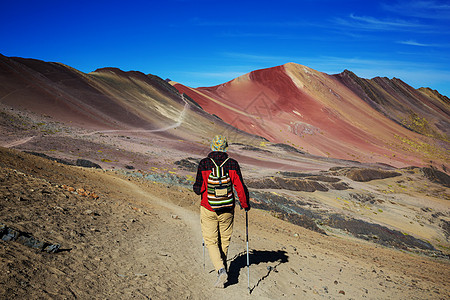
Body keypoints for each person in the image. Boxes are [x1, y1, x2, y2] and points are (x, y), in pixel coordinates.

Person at [193, 135, 250, 288]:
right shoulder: (232, 164)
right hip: (228, 209)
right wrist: (245, 204)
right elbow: (240, 187)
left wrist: (205, 188)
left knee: (211, 241)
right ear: (225, 147)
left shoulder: (204, 163)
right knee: (224, 240)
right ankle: (222, 270)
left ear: (212, 146)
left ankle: (220, 269)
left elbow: (197, 189)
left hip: (208, 207)